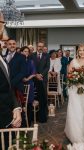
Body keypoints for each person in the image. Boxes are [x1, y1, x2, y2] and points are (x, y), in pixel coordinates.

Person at [0, 15, 22, 150]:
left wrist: (15, 108)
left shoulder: (3, 59)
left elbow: (7, 88)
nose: (5, 41)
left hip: (7, 119)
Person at [31, 42, 50, 123]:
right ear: (37, 47)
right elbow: (31, 66)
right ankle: (34, 116)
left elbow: (47, 67)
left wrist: (41, 75)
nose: (40, 47)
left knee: (43, 97)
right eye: (39, 46)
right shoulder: (32, 55)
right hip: (34, 79)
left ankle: (43, 115)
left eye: (42, 46)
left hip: (43, 79)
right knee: (34, 97)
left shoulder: (47, 55)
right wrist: (36, 75)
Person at [20, 46, 36, 126]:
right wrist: (22, 78)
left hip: (29, 83)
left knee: (29, 104)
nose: (26, 53)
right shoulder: (18, 61)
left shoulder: (31, 61)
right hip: (20, 83)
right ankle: (21, 123)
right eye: (24, 51)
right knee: (21, 103)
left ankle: (28, 122)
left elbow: (33, 73)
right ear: (21, 52)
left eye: (27, 51)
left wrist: (27, 79)